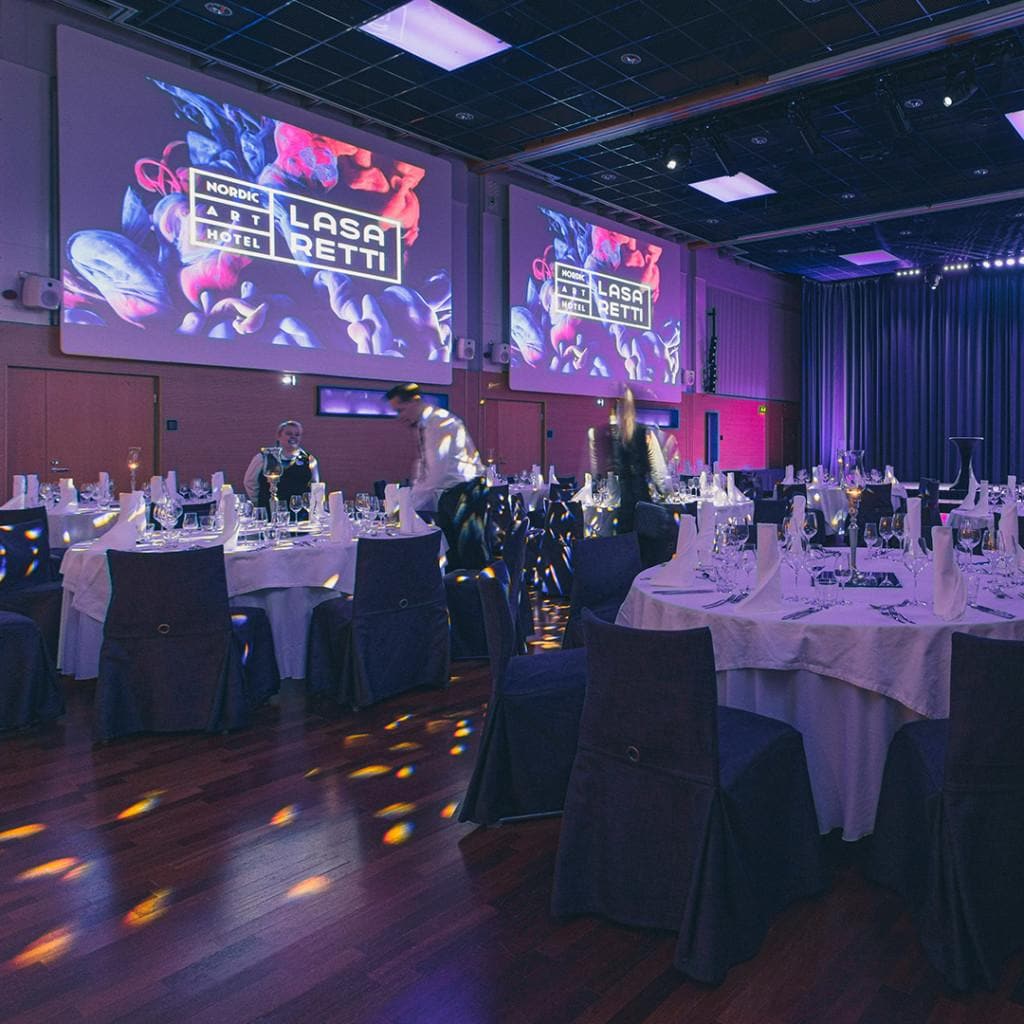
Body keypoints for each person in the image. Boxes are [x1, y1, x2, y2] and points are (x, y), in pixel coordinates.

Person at [385, 383, 483, 512]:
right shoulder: (424, 424)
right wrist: (409, 501)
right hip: (453, 495)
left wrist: (406, 509)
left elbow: (435, 475)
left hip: (465, 495)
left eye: (401, 410)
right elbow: (423, 466)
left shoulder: (440, 424)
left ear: (416, 401)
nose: (400, 417)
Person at [244, 420, 320, 511]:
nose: (293, 437)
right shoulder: (263, 457)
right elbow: (250, 483)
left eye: (297, 434)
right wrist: (259, 503)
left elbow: (315, 486)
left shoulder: (309, 459)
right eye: (289, 433)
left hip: (299, 514)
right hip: (269, 512)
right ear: (278, 436)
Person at [612, 388, 653, 533]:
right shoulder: (640, 430)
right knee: (644, 526)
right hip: (640, 487)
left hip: (625, 490)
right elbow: (646, 462)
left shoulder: (616, 433)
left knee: (626, 529)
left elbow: (616, 465)